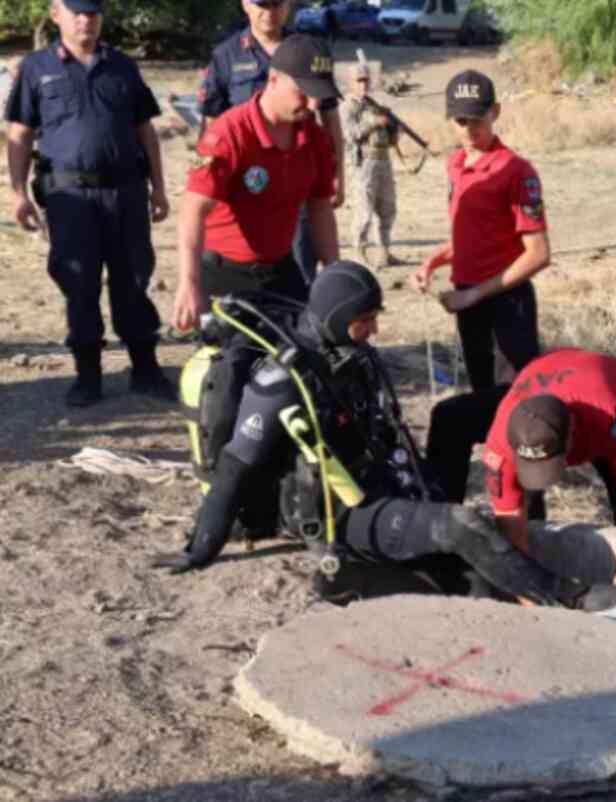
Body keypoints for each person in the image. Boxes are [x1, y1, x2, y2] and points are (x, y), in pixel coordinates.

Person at [155, 260, 585, 608]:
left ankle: (436, 578)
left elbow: (390, 429)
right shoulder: (282, 381)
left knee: (453, 442)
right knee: (462, 526)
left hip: (378, 486)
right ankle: (576, 596)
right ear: (340, 318)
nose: (374, 330)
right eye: (365, 320)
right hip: (340, 515)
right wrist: (200, 547)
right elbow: (234, 466)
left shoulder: (353, 357)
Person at [5, 0, 176, 407]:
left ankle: (146, 369)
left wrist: (159, 188)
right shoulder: (36, 69)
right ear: (56, 14)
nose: (86, 19)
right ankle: (88, 375)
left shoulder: (121, 66)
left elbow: (145, 130)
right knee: (78, 283)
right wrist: (17, 194)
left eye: (93, 12)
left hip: (126, 193)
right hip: (70, 199)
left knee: (134, 279)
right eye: (76, 11)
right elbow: (20, 133)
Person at [430, 349, 616, 589]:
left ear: (572, 437)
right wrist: (533, 597)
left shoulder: (610, 420)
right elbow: (511, 523)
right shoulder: (499, 445)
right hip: (548, 375)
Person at [173, 34, 340, 335]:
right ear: (273, 79)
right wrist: (189, 283)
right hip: (225, 275)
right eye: (303, 92)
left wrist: (334, 274)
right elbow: (192, 212)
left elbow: (320, 208)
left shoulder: (313, 137)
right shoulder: (230, 133)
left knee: (303, 363)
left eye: (319, 94)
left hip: (281, 269)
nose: (313, 103)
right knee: (231, 370)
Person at [413, 69, 549, 392]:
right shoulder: (456, 164)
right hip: (468, 299)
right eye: (461, 121)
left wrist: (474, 294)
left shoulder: (516, 171)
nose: (470, 129)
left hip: (506, 301)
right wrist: (433, 262)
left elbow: (539, 254)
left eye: (478, 119)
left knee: (512, 400)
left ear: (495, 112)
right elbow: (473, 235)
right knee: (481, 393)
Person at [197, 0, 344, 284]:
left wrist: (338, 176)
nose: (270, 12)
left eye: (277, 4)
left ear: (287, 6)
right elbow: (212, 125)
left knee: (302, 262)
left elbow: (330, 120)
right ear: (245, 5)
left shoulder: (308, 50)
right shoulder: (226, 56)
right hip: (247, 181)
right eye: (262, 4)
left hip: (298, 171)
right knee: (248, 256)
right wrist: (212, 180)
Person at [342, 62, 402, 269]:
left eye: (366, 80)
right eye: (359, 80)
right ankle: (360, 252)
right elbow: (350, 135)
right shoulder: (348, 107)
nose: (363, 84)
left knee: (388, 207)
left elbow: (392, 140)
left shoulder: (374, 106)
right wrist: (374, 123)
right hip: (363, 164)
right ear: (350, 83)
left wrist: (393, 127)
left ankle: (385, 251)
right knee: (364, 210)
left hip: (383, 160)